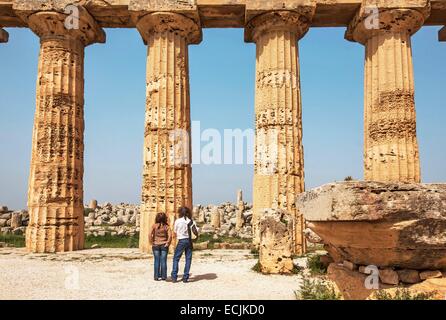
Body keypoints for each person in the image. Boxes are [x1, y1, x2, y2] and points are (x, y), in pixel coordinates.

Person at [171, 207, 199, 283]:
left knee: (176, 258)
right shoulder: (191, 221)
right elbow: (197, 230)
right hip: (189, 241)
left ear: (180, 212)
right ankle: (185, 277)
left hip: (181, 240)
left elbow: (175, 231)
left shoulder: (178, 221)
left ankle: (174, 277)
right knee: (188, 259)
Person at [150, 212, 172, 281]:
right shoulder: (167, 227)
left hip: (156, 244)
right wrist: (168, 243)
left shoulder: (154, 226)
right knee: (163, 261)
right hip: (164, 245)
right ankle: (163, 276)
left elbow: (149, 234)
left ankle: (156, 276)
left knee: (156, 260)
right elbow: (170, 236)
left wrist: (151, 242)